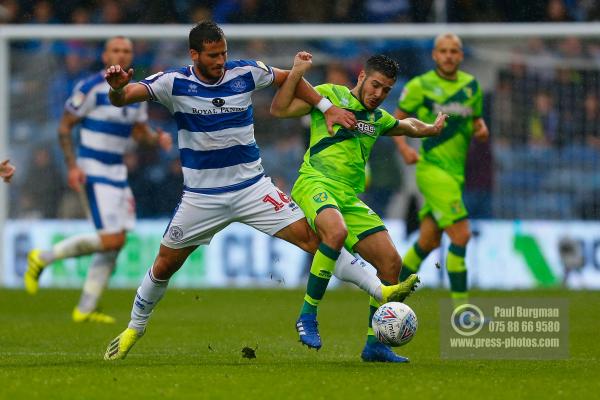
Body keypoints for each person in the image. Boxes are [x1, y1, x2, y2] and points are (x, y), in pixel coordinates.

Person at [102, 21, 417, 361]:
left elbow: (288, 79)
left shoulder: (247, 72)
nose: (220, 60)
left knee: (316, 240)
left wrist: (327, 107)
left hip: (253, 189)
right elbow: (125, 96)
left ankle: (379, 289)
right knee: (164, 265)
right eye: (212, 55)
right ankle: (135, 326)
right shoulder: (173, 82)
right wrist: (118, 89)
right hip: (202, 196)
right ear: (194, 54)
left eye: (223, 52)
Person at [270, 52, 447, 362]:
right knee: (334, 233)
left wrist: (430, 129)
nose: (379, 95)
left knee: (391, 263)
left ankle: (375, 344)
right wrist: (297, 72)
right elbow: (280, 108)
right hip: (316, 183)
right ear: (361, 78)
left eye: (386, 90)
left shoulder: (377, 120)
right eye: (375, 85)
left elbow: (407, 125)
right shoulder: (329, 95)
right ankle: (307, 315)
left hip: (349, 198)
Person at [23, 37, 173, 324]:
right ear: (105, 55)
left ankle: (86, 307)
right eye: (116, 50)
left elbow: (139, 133)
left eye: (127, 50)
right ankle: (43, 257)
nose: (122, 54)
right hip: (93, 169)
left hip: (117, 172)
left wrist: (156, 138)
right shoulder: (90, 87)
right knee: (111, 238)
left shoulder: (134, 92)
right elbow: (65, 126)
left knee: (115, 243)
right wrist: (71, 165)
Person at [393, 33, 489, 310]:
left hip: (456, 174)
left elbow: (477, 124)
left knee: (428, 240)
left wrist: (482, 131)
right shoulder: (420, 86)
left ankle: (390, 297)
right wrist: (403, 148)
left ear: (461, 56)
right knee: (461, 235)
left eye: (454, 51)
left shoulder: (471, 87)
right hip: (432, 170)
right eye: (443, 51)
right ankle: (462, 312)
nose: (448, 55)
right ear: (435, 55)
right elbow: (394, 121)